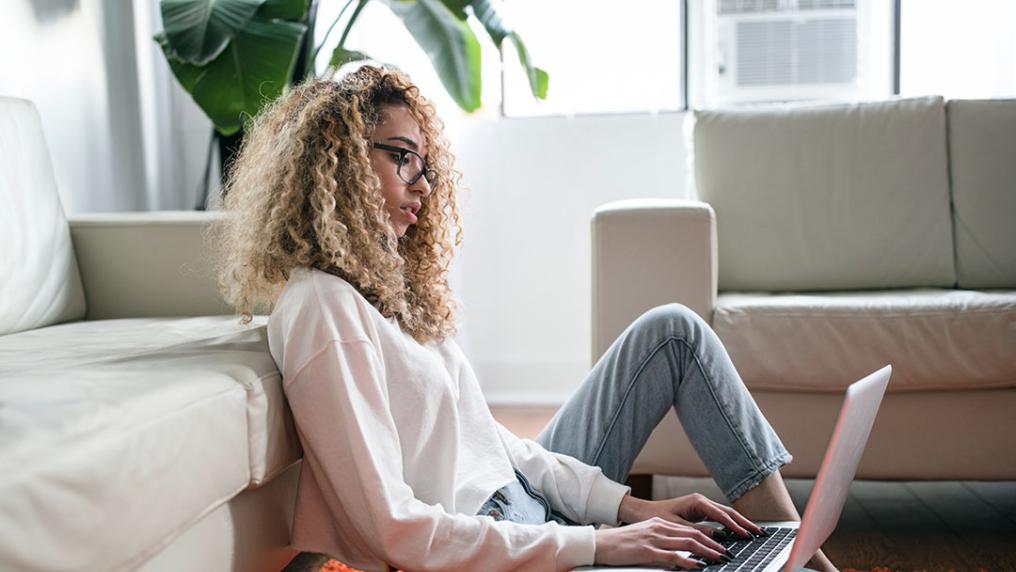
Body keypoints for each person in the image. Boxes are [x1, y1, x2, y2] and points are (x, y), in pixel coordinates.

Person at [213, 65, 837, 572]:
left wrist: (626, 509)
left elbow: (495, 443)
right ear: (341, 158)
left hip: (531, 511)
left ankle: (796, 556)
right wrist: (596, 544)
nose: (423, 185)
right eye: (402, 157)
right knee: (690, 561)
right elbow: (392, 529)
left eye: (424, 166)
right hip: (493, 543)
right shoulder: (324, 307)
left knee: (673, 331)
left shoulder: (389, 291)